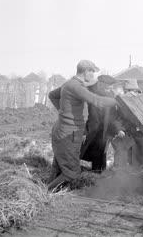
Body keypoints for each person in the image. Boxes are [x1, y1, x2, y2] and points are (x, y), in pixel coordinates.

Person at [47, 60, 117, 190]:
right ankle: (45, 192)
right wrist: (117, 100)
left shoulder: (70, 84)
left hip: (63, 130)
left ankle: (49, 190)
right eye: (92, 72)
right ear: (86, 71)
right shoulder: (76, 87)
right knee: (72, 174)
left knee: (58, 167)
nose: (93, 75)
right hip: (68, 134)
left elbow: (52, 95)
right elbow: (97, 101)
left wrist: (65, 112)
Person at [80, 75, 126, 172]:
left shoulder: (110, 96)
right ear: (101, 84)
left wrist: (118, 129)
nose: (110, 89)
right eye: (107, 87)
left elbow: (113, 117)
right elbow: (82, 114)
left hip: (104, 131)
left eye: (110, 87)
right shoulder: (89, 94)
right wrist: (83, 131)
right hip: (89, 130)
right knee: (82, 152)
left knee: (101, 153)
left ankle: (99, 174)